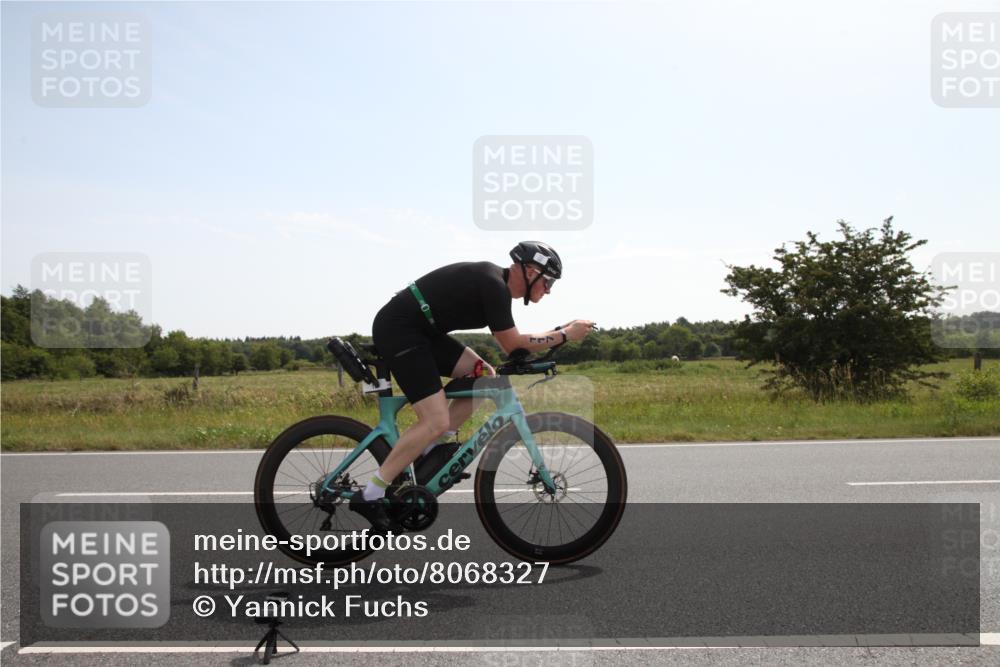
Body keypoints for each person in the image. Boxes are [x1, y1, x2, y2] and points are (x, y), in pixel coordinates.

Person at [350, 241, 596, 531]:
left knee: (483, 375)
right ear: (531, 271)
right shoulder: (494, 286)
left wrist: (557, 334)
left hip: (421, 331)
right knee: (435, 418)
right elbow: (513, 344)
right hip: (401, 330)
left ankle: (429, 455)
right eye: (548, 280)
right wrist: (565, 334)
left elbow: (514, 348)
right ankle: (372, 493)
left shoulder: (497, 288)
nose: (550, 288)